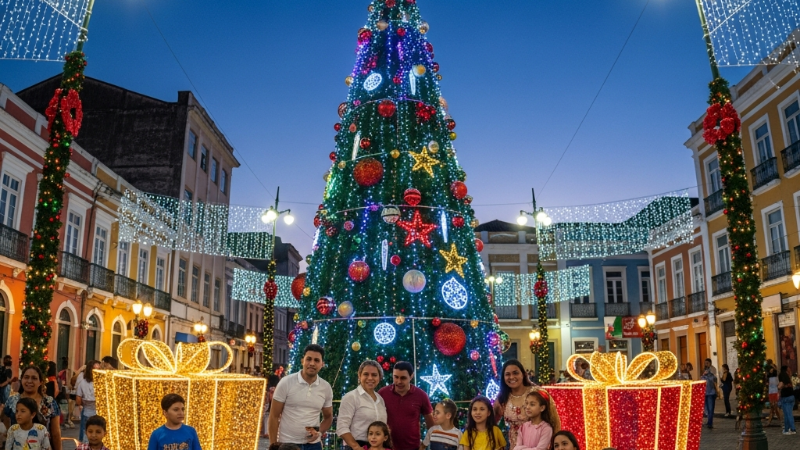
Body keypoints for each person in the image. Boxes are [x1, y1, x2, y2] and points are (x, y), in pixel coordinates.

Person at [269, 344, 334, 450]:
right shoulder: (286, 382)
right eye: (309, 359)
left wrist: (319, 432)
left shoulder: (325, 387)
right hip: (288, 444)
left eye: (316, 360)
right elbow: (274, 416)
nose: (312, 363)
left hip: (314, 446)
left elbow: (328, 417)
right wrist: (273, 446)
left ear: (322, 364)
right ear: (302, 360)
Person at [1, 366, 61, 450]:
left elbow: (56, 433)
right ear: (21, 380)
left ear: (40, 382)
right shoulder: (11, 402)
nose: (29, 381)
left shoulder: (49, 403)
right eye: (26, 377)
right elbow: (6, 430)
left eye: (34, 378)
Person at [378, 362, 433, 450]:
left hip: (413, 447)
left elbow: (431, 425)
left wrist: (424, 445)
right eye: (396, 377)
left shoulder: (421, 395)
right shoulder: (382, 393)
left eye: (403, 378)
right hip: (387, 447)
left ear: (411, 376)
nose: (399, 381)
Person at [338, 361, 387, 450]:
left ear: (380, 377)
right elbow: (342, 427)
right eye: (366, 374)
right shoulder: (351, 397)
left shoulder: (380, 399)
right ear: (359, 376)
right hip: (357, 446)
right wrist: (356, 447)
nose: (370, 378)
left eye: (374, 375)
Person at [492, 360, 534, 449]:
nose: (511, 377)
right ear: (503, 378)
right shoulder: (502, 397)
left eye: (515, 373)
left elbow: (553, 421)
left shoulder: (537, 393)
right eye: (507, 374)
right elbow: (491, 421)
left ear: (523, 374)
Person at [76, 361, 100, 443]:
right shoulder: (101, 383)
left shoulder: (82, 382)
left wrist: (84, 402)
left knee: (85, 433)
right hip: (96, 412)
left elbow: (78, 399)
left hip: (86, 410)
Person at [778, 365, 796, 435]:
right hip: (792, 397)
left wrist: (778, 387)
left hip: (785, 398)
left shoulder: (782, 376)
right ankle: (787, 428)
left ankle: (791, 429)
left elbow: (780, 386)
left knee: (787, 414)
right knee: (789, 413)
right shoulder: (788, 377)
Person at [701, 365, 717, 429]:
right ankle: (709, 421)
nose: (705, 371)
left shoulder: (711, 377)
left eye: (706, 370)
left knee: (710, 409)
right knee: (707, 409)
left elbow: (713, 382)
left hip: (710, 394)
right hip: (706, 394)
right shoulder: (703, 377)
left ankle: (710, 422)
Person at [766, 360, 780, 426]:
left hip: (773, 390)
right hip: (772, 390)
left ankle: (779, 420)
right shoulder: (772, 370)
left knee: (774, 406)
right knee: (773, 407)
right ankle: (772, 420)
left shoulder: (772, 369)